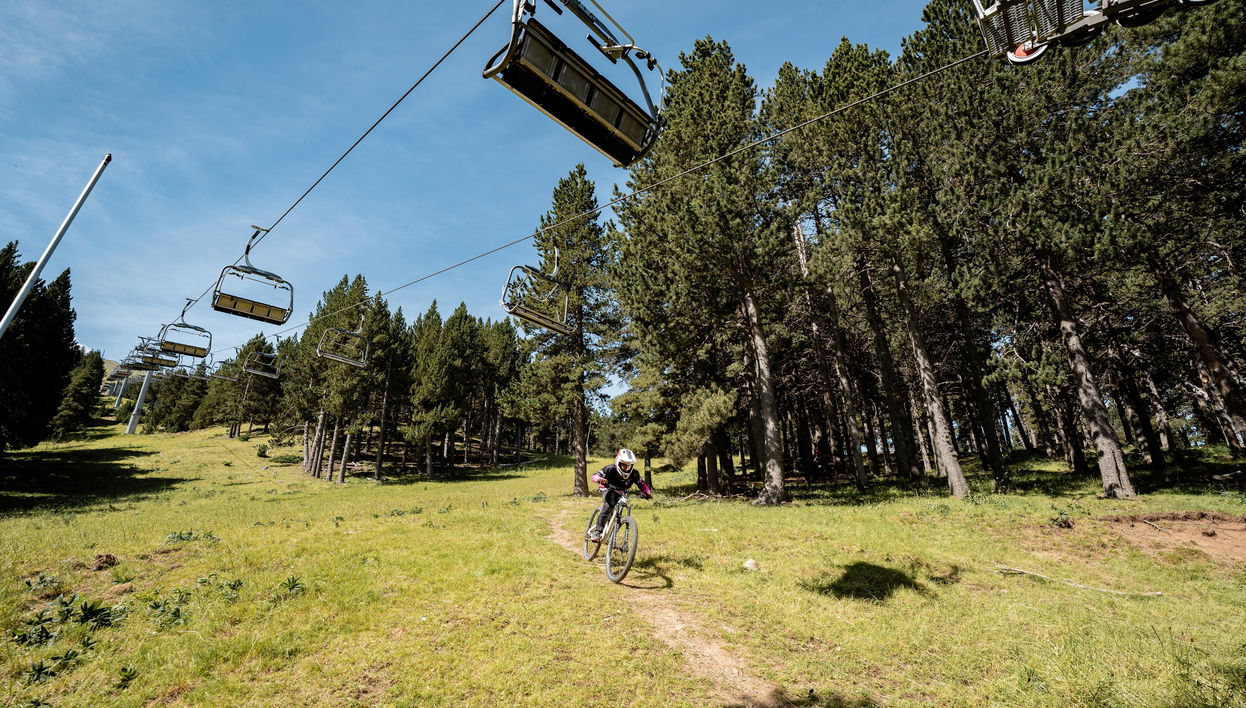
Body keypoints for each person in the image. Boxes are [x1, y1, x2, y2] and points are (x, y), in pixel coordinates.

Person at [588, 448, 653, 543]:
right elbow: (595, 475)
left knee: (618, 511)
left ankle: (613, 530)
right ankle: (597, 531)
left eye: (629, 466)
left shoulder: (634, 474)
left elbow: (641, 484)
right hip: (607, 488)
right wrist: (599, 479)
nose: (626, 468)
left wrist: (647, 492)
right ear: (618, 463)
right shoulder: (610, 469)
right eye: (624, 466)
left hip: (621, 492)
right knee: (608, 505)